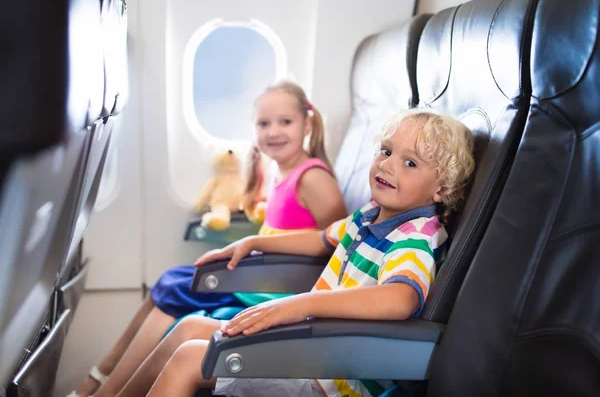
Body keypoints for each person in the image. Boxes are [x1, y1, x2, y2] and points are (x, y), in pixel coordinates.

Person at [121, 110, 476, 397]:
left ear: (440, 188)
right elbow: (322, 239)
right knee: (190, 328)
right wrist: (254, 243)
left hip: (331, 377)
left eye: (410, 163)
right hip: (313, 350)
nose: (387, 165)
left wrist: (299, 304)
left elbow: (400, 298)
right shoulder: (371, 215)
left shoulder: (414, 238)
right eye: (386, 151)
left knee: (189, 358)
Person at [67, 80, 347, 397]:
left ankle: (102, 390)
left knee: (175, 290)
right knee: (171, 281)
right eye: (263, 123)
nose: (273, 132)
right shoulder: (278, 171)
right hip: (259, 279)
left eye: (285, 122)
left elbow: (335, 250)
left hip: (273, 290)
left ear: (307, 123)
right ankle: (99, 378)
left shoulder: (313, 178)